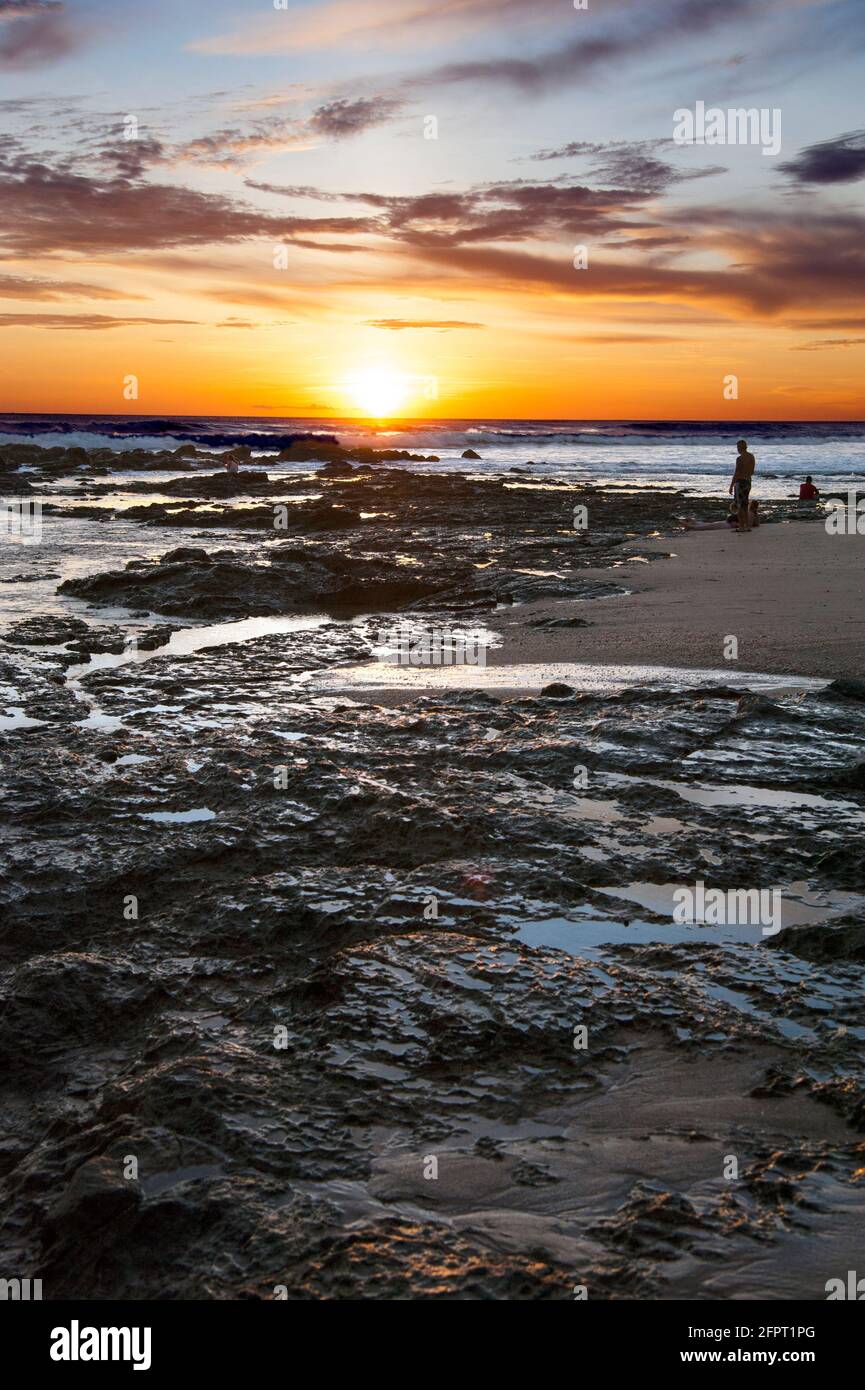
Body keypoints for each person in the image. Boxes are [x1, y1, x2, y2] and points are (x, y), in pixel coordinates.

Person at [729, 439, 756, 531]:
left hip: (740, 482)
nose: (737, 449)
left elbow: (737, 473)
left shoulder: (740, 459)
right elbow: (752, 471)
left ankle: (741, 527)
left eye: (737, 447)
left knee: (740, 505)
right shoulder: (751, 456)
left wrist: (731, 485)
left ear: (740, 448)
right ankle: (747, 526)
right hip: (748, 481)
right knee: (745, 505)